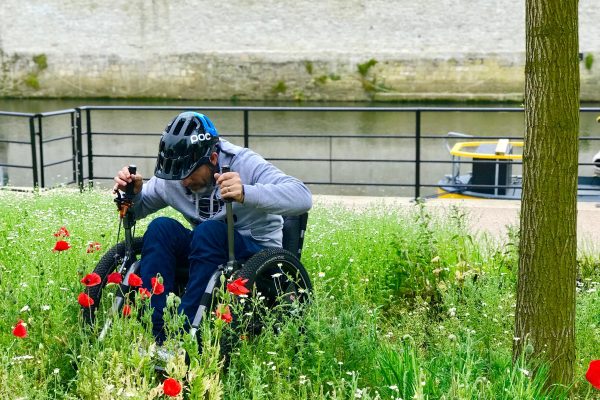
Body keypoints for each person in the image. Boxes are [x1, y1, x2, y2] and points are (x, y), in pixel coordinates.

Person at [113, 111, 312, 343]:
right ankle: (158, 331)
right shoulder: (175, 174)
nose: (183, 182)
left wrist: (247, 192)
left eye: (189, 173)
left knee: (208, 231)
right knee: (160, 228)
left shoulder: (244, 162)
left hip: (254, 252)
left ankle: (185, 335)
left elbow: (303, 197)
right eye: (178, 175)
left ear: (213, 159)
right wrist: (133, 195)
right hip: (206, 247)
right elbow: (136, 211)